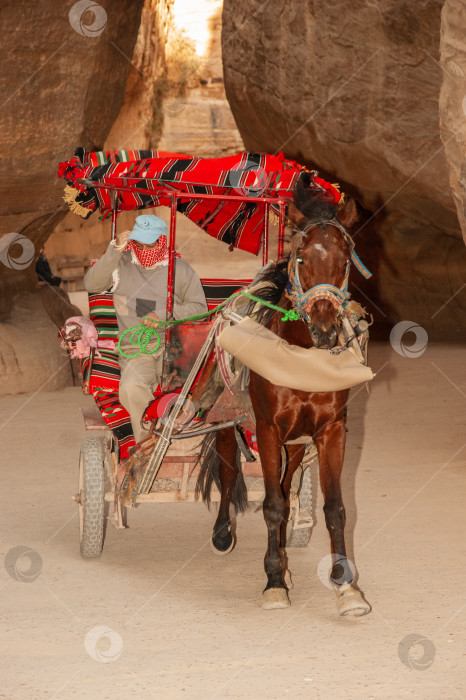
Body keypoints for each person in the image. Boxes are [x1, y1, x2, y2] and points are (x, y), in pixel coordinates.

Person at [84, 214, 207, 443]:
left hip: (178, 347)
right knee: (130, 387)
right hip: (138, 349)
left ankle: (191, 439)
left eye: (150, 245)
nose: (144, 250)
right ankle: (148, 442)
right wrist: (114, 250)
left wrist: (163, 316)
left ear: (162, 241)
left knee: (208, 386)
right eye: (138, 244)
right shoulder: (120, 265)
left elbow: (199, 308)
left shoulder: (180, 269)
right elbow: (91, 284)